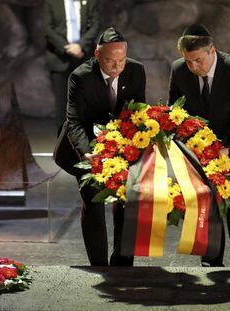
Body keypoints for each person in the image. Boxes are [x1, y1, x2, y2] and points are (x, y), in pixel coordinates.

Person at [169, 24, 230, 267]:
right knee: (206, 210)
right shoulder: (179, 70)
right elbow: (176, 114)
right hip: (199, 152)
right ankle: (210, 265)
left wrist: (225, 150)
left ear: (212, 50)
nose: (193, 67)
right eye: (188, 61)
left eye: (198, 60)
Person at [55, 27, 146, 266]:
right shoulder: (80, 76)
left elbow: (138, 114)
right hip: (85, 144)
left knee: (126, 199)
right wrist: (88, 154)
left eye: (121, 60)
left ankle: (123, 263)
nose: (117, 67)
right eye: (110, 61)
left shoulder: (136, 71)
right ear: (97, 54)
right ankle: (98, 264)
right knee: (94, 199)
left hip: (121, 144)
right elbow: (73, 121)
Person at [43, 0, 100, 130]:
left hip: (83, 57)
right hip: (59, 58)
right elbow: (47, 28)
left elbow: (95, 25)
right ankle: (63, 141)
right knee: (62, 104)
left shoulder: (90, 2)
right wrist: (66, 48)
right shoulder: (51, 3)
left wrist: (80, 46)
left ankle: (84, 140)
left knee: (85, 101)